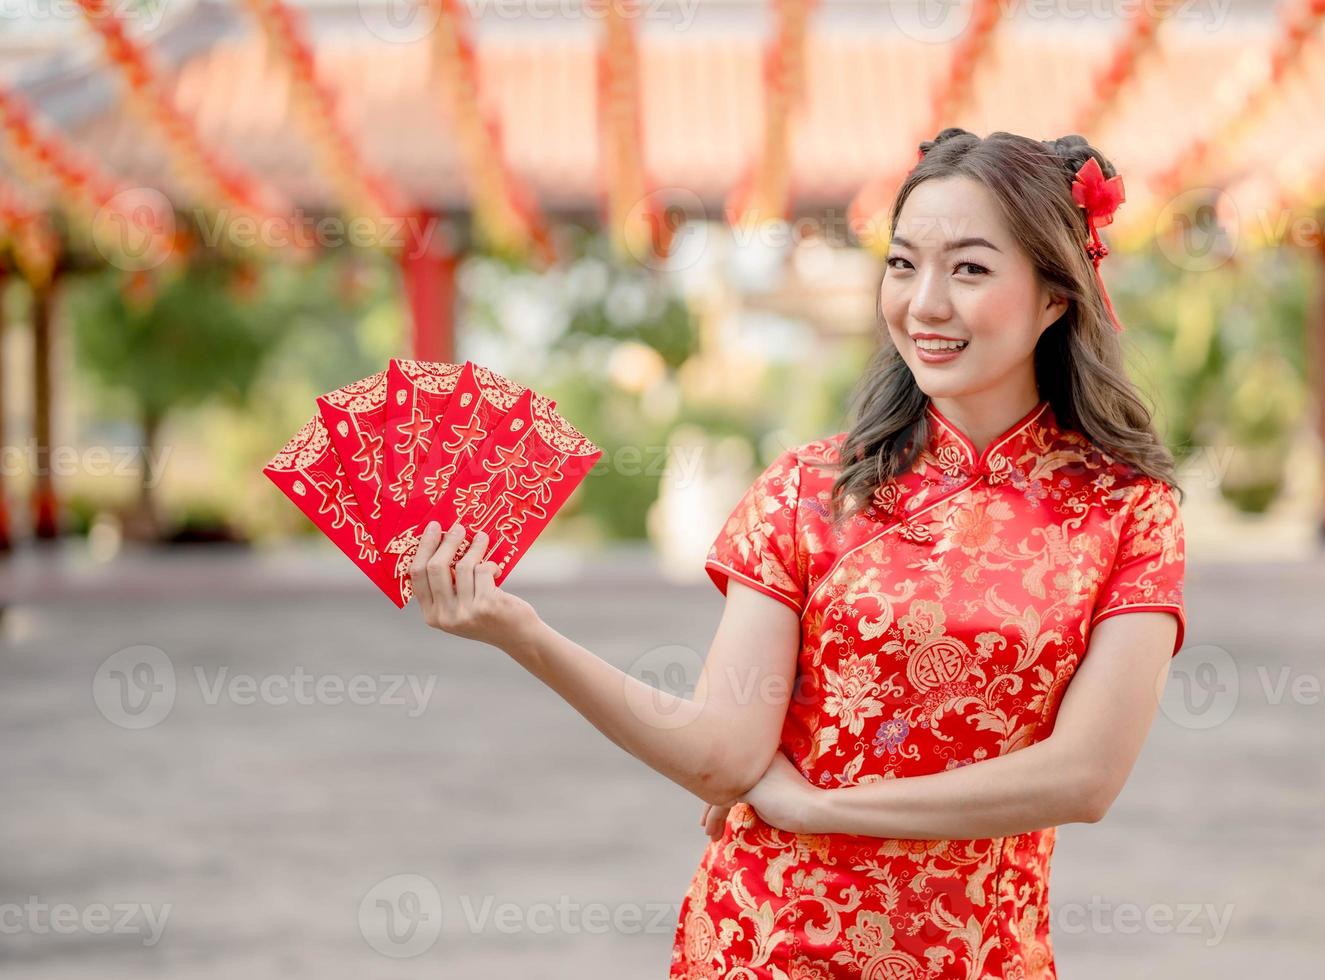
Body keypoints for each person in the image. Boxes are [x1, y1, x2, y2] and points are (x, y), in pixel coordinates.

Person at [408, 127, 1187, 979]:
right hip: (766, 945)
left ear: (1054, 296)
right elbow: (723, 758)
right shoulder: (810, 488)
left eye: (969, 268)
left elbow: (1085, 776)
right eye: (902, 264)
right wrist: (522, 632)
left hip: (981, 958)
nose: (924, 303)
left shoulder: (1123, 510)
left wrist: (822, 807)